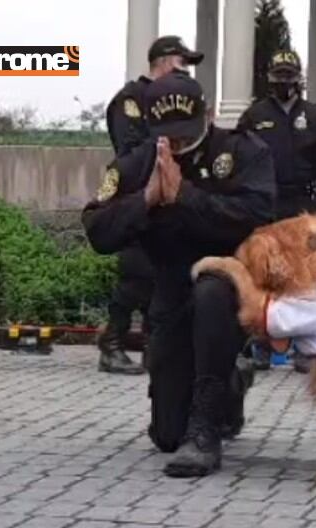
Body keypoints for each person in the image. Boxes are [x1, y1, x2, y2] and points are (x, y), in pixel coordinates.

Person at [82, 73, 276, 477]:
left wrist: (186, 197)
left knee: (211, 291)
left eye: (187, 135)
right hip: (170, 287)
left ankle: (205, 430)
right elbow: (98, 231)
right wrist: (147, 200)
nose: (180, 145)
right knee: (167, 435)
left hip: (230, 286)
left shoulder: (241, 151)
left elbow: (259, 217)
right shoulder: (137, 165)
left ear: (207, 113)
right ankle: (231, 383)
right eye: (170, 136)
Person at [96, 36, 205, 375]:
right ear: (162, 61)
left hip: (170, 194)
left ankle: (152, 344)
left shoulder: (180, 100)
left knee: (162, 274)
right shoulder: (132, 98)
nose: (184, 70)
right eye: (180, 62)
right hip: (138, 193)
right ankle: (111, 343)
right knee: (136, 272)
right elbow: (129, 150)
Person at [237, 49, 316, 374]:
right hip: (266, 203)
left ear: (299, 78)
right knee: (263, 274)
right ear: (269, 78)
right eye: (278, 75)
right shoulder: (254, 116)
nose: (284, 81)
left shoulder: (315, 115)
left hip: (304, 206)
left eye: (289, 75)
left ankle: (303, 348)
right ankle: (261, 345)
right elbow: (240, 165)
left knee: (304, 278)